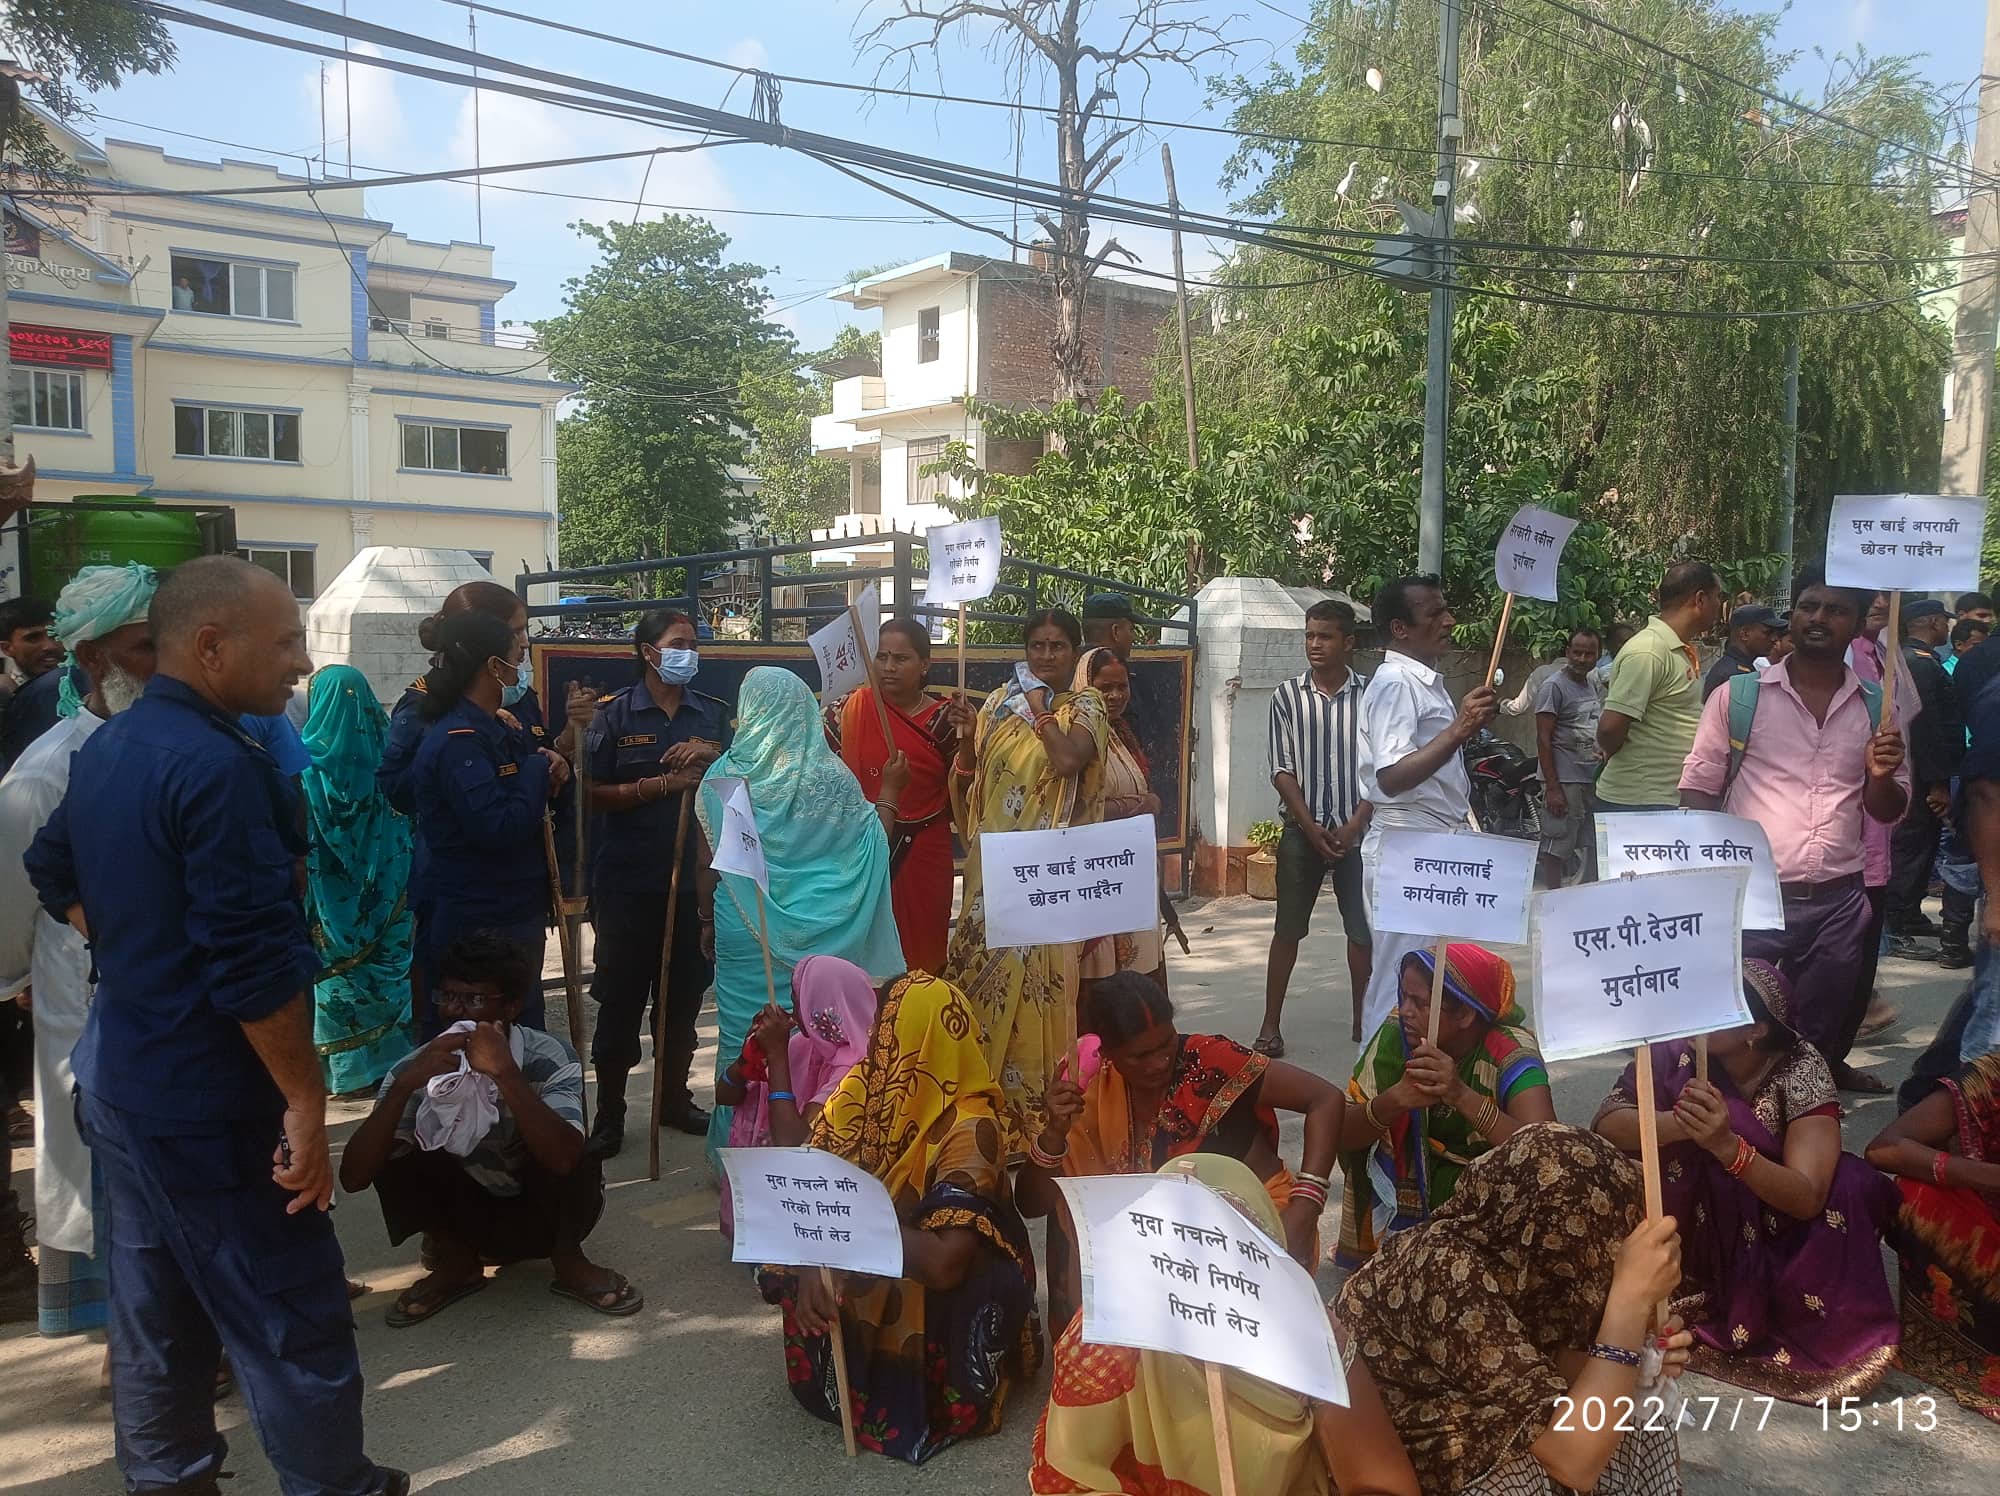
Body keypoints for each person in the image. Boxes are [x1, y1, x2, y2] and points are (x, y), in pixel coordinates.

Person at [24, 555, 405, 1496]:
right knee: (287, 1312)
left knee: (155, 1311)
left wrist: (134, 943)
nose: (298, 665)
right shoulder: (216, 767)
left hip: (123, 1081)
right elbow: (252, 971)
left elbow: (52, 864)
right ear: (210, 645)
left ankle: (172, 1477)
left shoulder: (110, 744)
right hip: (209, 1097)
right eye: (283, 644)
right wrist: (305, 1106)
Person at [760, 972, 1043, 1464]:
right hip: (883, 1238)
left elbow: (943, 1263)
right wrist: (813, 1256)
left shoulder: (973, 1123)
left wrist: (839, 1233)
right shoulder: (865, 1089)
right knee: (789, 1262)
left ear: (919, 1039)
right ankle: (844, 1376)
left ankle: (931, 1386)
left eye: (886, 1033)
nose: (873, 1044)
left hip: (939, 1264)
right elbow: (800, 1179)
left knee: (926, 1283)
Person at [1594, 959, 1899, 1401]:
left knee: (1848, 1183)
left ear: (1754, 1031)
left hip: (1776, 1214)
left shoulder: (1802, 1070)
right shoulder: (1674, 1049)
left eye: (1717, 1005)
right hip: (1694, 1212)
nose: (1696, 1010)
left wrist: (1726, 1146)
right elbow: (1608, 1123)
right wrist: (1682, 1125)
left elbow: (1808, 1196)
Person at [1029, 1153, 1421, 1496]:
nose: (1206, 1277)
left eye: (1232, 1252)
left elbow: (1381, 1483)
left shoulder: (1312, 1335)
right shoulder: (1105, 1339)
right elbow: (1070, 1480)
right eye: (1182, 1258)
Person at [1339, 1126, 1694, 1496]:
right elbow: (1573, 1459)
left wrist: (1637, 1352)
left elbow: (1564, 1371)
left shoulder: (1522, 1265)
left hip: (1471, 1421)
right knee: (1524, 1477)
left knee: (1638, 1410)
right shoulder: (1446, 1272)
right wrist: (1628, 1304)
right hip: (1400, 1465)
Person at [0, 562, 157, 1334]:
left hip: (179, 999)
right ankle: (132, 1348)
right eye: (145, 646)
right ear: (94, 658)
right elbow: (14, 904)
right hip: (87, 1000)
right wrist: (25, 975)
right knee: (106, 1167)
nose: (166, 662)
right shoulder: (45, 771)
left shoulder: (199, 745)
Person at [1681, 572, 1909, 1092]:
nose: (1818, 618)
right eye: (1809, 606)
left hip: (1838, 902)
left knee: (1820, 1032)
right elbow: (1697, 790)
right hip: (1751, 900)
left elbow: (1889, 808)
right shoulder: (1739, 698)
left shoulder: (1878, 707)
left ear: (1855, 624)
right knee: (1735, 1027)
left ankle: (1800, 1124)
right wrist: (1702, 877)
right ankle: (1736, 1132)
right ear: (1794, 614)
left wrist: (1880, 775)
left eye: (1835, 610)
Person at [338, 932, 639, 1326]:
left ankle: (568, 1261)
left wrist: (506, 1075)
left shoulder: (548, 1057)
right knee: (393, 1142)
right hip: (466, 1215)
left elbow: (566, 1159)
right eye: (448, 997)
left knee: (573, 1141)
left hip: (542, 1212)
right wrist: (404, 1089)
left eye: (475, 1000)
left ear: (512, 1006)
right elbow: (354, 1177)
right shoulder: (418, 1066)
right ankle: (457, 1263)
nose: (455, 1011)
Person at [1025, 970, 1346, 1336]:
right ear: (1108, 1054)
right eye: (1140, 1055)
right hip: (1149, 1249)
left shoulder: (1210, 1061)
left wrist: (1307, 1203)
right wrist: (1054, 1133)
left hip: (1248, 1239)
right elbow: (1033, 1204)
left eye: (1165, 1044)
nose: (1160, 1062)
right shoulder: (1086, 1090)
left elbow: (1325, 1099)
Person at [696, 667, 903, 1165]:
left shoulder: (725, 775)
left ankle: (740, 1160)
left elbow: (714, 863)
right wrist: (892, 792)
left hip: (746, 925)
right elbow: (875, 842)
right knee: (823, 1040)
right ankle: (828, 1143)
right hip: (832, 934)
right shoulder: (832, 776)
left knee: (744, 1038)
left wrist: (706, 918)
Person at [379, 579, 591, 1029]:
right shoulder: (437, 717)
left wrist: (553, 757)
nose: (524, 647)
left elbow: (535, 762)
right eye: (516, 635)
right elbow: (408, 790)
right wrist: (502, 771)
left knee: (518, 1024)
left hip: (519, 891)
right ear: (486, 649)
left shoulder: (510, 706)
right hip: (466, 890)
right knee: (469, 1027)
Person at [941, 608, 1108, 1150]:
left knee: (1044, 998)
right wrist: (968, 739)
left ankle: (1041, 1127)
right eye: (1036, 645)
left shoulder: (1086, 707)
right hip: (994, 874)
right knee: (978, 991)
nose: (1044, 656)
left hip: (1049, 877)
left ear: (1075, 652)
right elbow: (970, 782)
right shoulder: (997, 702)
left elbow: (1067, 762)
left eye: (1057, 646)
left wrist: (1039, 709)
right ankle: (982, 1120)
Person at [580, 609, 727, 1156]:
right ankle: (611, 1115)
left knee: (683, 1001)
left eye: (694, 642)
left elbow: (743, 773)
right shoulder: (612, 716)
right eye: (678, 642)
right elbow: (589, 793)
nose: (689, 650)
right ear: (649, 652)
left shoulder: (711, 715)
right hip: (627, 883)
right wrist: (663, 784)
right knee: (619, 1003)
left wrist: (712, 755)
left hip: (693, 884)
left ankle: (672, 1097)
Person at [1335, 944, 1555, 1268]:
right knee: (1363, 1132)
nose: (1405, 1011)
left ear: (1465, 1014)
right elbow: (1339, 1133)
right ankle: (1392, 1251)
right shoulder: (1396, 1038)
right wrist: (1393, 1101)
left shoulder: (1510, 1051)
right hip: (1411, 1189)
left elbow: (1547, 1153)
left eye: (1420, 1003)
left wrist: (1461, 1096)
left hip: (1486, 1198)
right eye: (1404, 996)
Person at [1354, 575, 1496, 1034]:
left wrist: (1461, 727)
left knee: (1436, 974)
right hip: (1408, 843)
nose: (1448, 621)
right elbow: (1391, 777)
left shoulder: (1423, 682)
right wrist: (1459, 729)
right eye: (1434, 613)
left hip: (1433, 841)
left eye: (1445, 609)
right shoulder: (1397, 683)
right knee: (1402, 977)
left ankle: (1424, 1083)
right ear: (1400, 629)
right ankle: (1375, 1092)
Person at [1258, 598, 1372, 1054]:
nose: (1314, 645)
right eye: (1309, 635)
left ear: (1349, 642)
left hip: (1358, 835)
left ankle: (1364, 1022)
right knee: (1287, 930)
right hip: (1301, 833)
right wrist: (1310, 828)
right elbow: (1281, 770)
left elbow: (1381, 767)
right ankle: (1269, 1025)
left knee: (1361, 932)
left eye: (1324, 636)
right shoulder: (1287, 697)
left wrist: (1353, 825)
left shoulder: (1371, 695)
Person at [1865, 1051, 2000, 1424]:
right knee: (1915, 1196)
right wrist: (1990, 1177)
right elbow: (1885, 1148)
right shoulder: (1991, 1077)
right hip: (1991, 1229)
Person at [301, 665, 414, 1097]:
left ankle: (345, 1074)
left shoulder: (304, 769)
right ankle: (390, 1063)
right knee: (386, 970)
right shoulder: (390, 762)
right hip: (390, 894)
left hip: (330, 905)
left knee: (337, 977)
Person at [715, 954, 876, 1236]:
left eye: (798, 999)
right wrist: (746, 1060)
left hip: (829, 1210)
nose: (791, 1009)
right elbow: (725, 1096)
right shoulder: (806, 1044)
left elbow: (794, 1144)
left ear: (821, 1008)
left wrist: (777, 1057)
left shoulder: (857, 1068)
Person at [831, 616, 955, 974]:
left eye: (901, 659)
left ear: (925, 664)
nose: (888, 667)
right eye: (881, 657)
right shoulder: (849, 711)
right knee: (865, 958)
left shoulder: (947, 719)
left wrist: (967, 751)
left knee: (922, 954)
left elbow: (969, 790)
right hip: (862, 850)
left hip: (924, 850)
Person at [1596, 560, 1722, 813]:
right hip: (1637, 802)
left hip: (1664, 799)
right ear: (1700, 599)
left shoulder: (1678, 648)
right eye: (1718, 597)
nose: (1720, 605)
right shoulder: (1649, 650)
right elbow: (1610, 729)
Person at [1073, 646, 1166, 988]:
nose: (1114, 696)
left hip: (1131, 870)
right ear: (1084, 685)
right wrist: (1138, 806)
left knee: (1137, 971)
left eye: (1121, 687)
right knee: (1103, 976)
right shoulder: (1077, 736)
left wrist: (1147, 802)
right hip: (1096, 874)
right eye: (1104, 688)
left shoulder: (1121, 732)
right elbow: (1077, 809)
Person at [1886, 599, 1964, 956]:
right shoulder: (1918, 664)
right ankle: (1896, 924)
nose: (1947, 628)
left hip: (1920, 771)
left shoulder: (1911, 660)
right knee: (1912, 848)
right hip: (1919, 775)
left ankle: (1911, 912)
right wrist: (1937, 782)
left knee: (1924, 843)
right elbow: (1927, 728)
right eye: (1944, 622)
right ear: (1933, 622)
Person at [1533, 626, 1604, 887]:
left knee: (1585, 843)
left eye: (1589, 654)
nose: (1582, 659)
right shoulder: (1553, 687)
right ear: (1568, 653)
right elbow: (1543, 738)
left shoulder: (1591, 684)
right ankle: (1552, 902)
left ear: (1599, 655)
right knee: (1557, 845)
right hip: (1564, 780)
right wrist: (1553, 788)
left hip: (1589, 778)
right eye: (1577, 653)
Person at [0, 595, 68, 770]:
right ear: (7, 648)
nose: (49, 646)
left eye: (54, 635)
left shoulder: (85, 687)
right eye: (33, 638)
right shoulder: (5, 697)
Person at [1702, 603, 1784, 700]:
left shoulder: (1740, 667)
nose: (1774, 639)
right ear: (1745, 634)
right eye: (1767, 632)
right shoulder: (1733, 675)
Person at [1081, 591, 1137, 662]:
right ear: (1116, 632)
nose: (1133, 637)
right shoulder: (1113, 668)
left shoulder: (1073, 663)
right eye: (1131, 629)